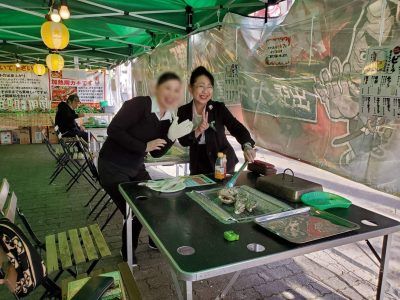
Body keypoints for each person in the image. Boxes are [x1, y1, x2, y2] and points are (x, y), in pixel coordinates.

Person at [97, 72, 193, 266]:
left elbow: (156, 153)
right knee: (134, 209)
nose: (171, 94)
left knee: (156, 200)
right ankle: (127, 253)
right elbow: (113, 130)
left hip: (135, 167)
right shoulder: (139, 104)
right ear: (157, 89)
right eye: (167, 88)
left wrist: (171, 136)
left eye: (176, 90)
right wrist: (143, 147)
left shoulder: (168, 117)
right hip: (112, 166)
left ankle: (152, 240)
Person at [178, 66, 256, 175]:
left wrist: (247, 146)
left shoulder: (218, 108)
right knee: (199, 190)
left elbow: (236, 127)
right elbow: (183, 141)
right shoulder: (183, 111)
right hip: (198, 162)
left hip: (222, 159)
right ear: (190, 88)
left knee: (222, 190)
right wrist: (198, 131)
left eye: (209, 87)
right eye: (201, 86)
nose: (205, 91)